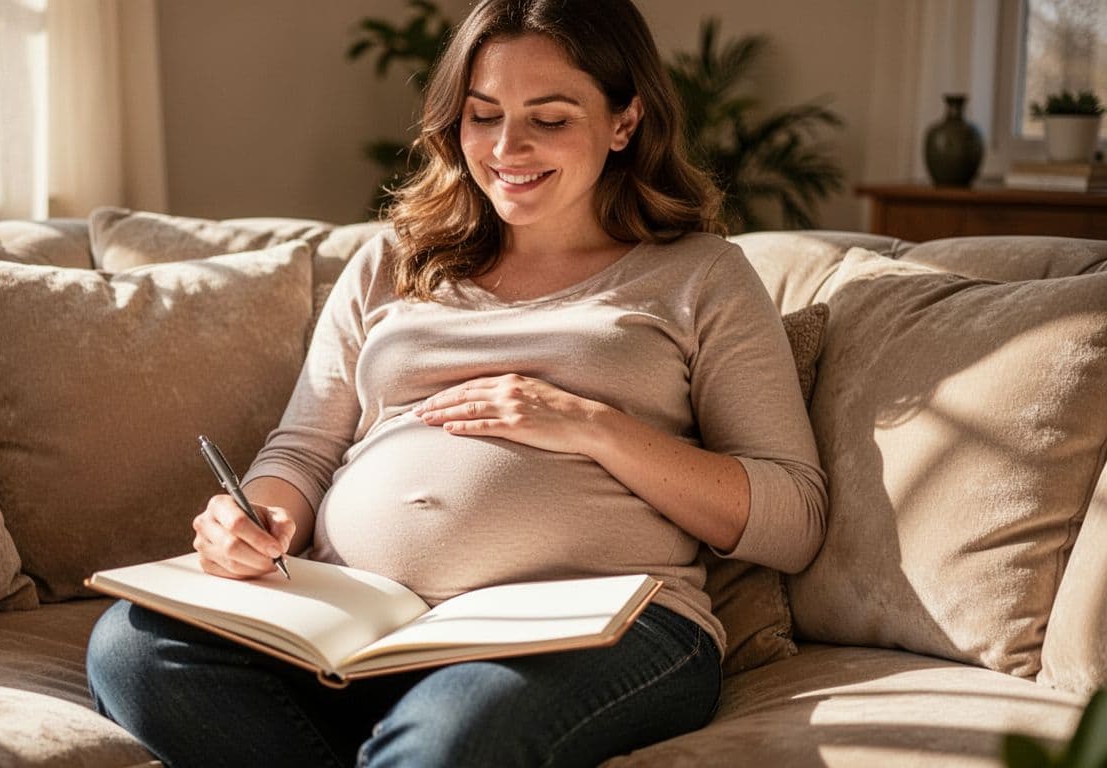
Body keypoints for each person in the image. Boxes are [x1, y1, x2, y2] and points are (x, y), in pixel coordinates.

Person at [86, 0, 826, 765]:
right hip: (364, 626)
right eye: (483, 115)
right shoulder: (393, 262)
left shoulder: (700, 275)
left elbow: (793, 515)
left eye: (550, 118)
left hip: (595, 629)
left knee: (451, 737)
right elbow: (303, 451)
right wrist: (257, 519)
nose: (508, 146)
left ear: (624, 122)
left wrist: (592, 425)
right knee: (131, 648)